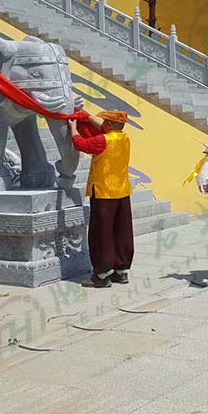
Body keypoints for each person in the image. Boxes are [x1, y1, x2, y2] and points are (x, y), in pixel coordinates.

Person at [69, 110, 133, 288]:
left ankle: (102, 274)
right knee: (122, 232)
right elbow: (106, 127)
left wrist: (73, 128)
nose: (102, 123)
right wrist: (88, 117)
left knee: (101, 233)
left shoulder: (102, 141)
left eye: (105, 121)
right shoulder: (124, 138)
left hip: (104, 192)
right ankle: (121, 271)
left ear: (110, 124)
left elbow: (80, 144)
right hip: (122, 191)